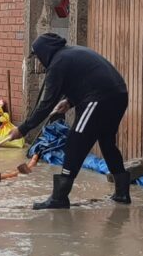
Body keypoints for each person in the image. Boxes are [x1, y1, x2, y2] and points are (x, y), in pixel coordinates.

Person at [9, 33, 131, 210]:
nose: (39, 62)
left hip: (100, 99)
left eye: (38, 57)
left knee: (75, 142)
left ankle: (59, 197)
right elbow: (86, 81)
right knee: (106, 142)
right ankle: (122, 192)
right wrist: (69, 102)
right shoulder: (68, 55)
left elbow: (46, 104)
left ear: (44, 52)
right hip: (118, 95)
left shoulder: (58, 63)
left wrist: (22, 129)